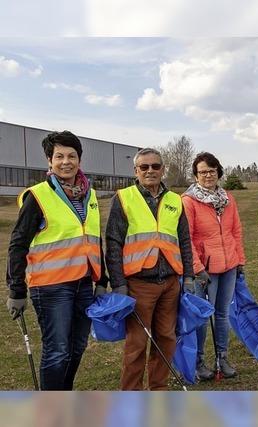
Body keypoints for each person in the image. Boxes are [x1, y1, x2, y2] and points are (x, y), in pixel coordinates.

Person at [5, 130, 108, 390]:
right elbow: (18, 244)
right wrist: (16, 289)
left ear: (79, 160)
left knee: (77, 347)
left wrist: (102, 280)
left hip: (84, 284)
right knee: (58, 350)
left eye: (71, 156)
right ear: (49, 161)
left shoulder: (89, 195)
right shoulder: (37, 196)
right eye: (59, 156)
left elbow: (94, 239)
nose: (66, 161)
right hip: (52, 287)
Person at [105, 147, 195, 390]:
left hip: (169, 283)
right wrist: (119, 283)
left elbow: (184, 240)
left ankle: (158, 390)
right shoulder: (123, 198)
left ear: (163, 169)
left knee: (166, 339)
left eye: (155, 166)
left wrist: (188, 276)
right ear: (136, 171)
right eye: (144, 167)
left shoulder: (175, 200)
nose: (150, 171)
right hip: (138, 284)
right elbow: (113, 243)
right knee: (136, 344)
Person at [182, 152, 245, 380]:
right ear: (196, 175)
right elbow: (186, 238)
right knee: (200, 318)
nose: (208, 175)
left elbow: (236, 231)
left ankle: (222, 357)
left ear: (218, 172)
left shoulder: (227, 198)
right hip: (203, 271)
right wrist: (197, 268)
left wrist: (239, 261)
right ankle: (198, 361)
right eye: (203, 172)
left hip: (228, 265)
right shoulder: (189, 202)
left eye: (211, 170)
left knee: (222, 314)